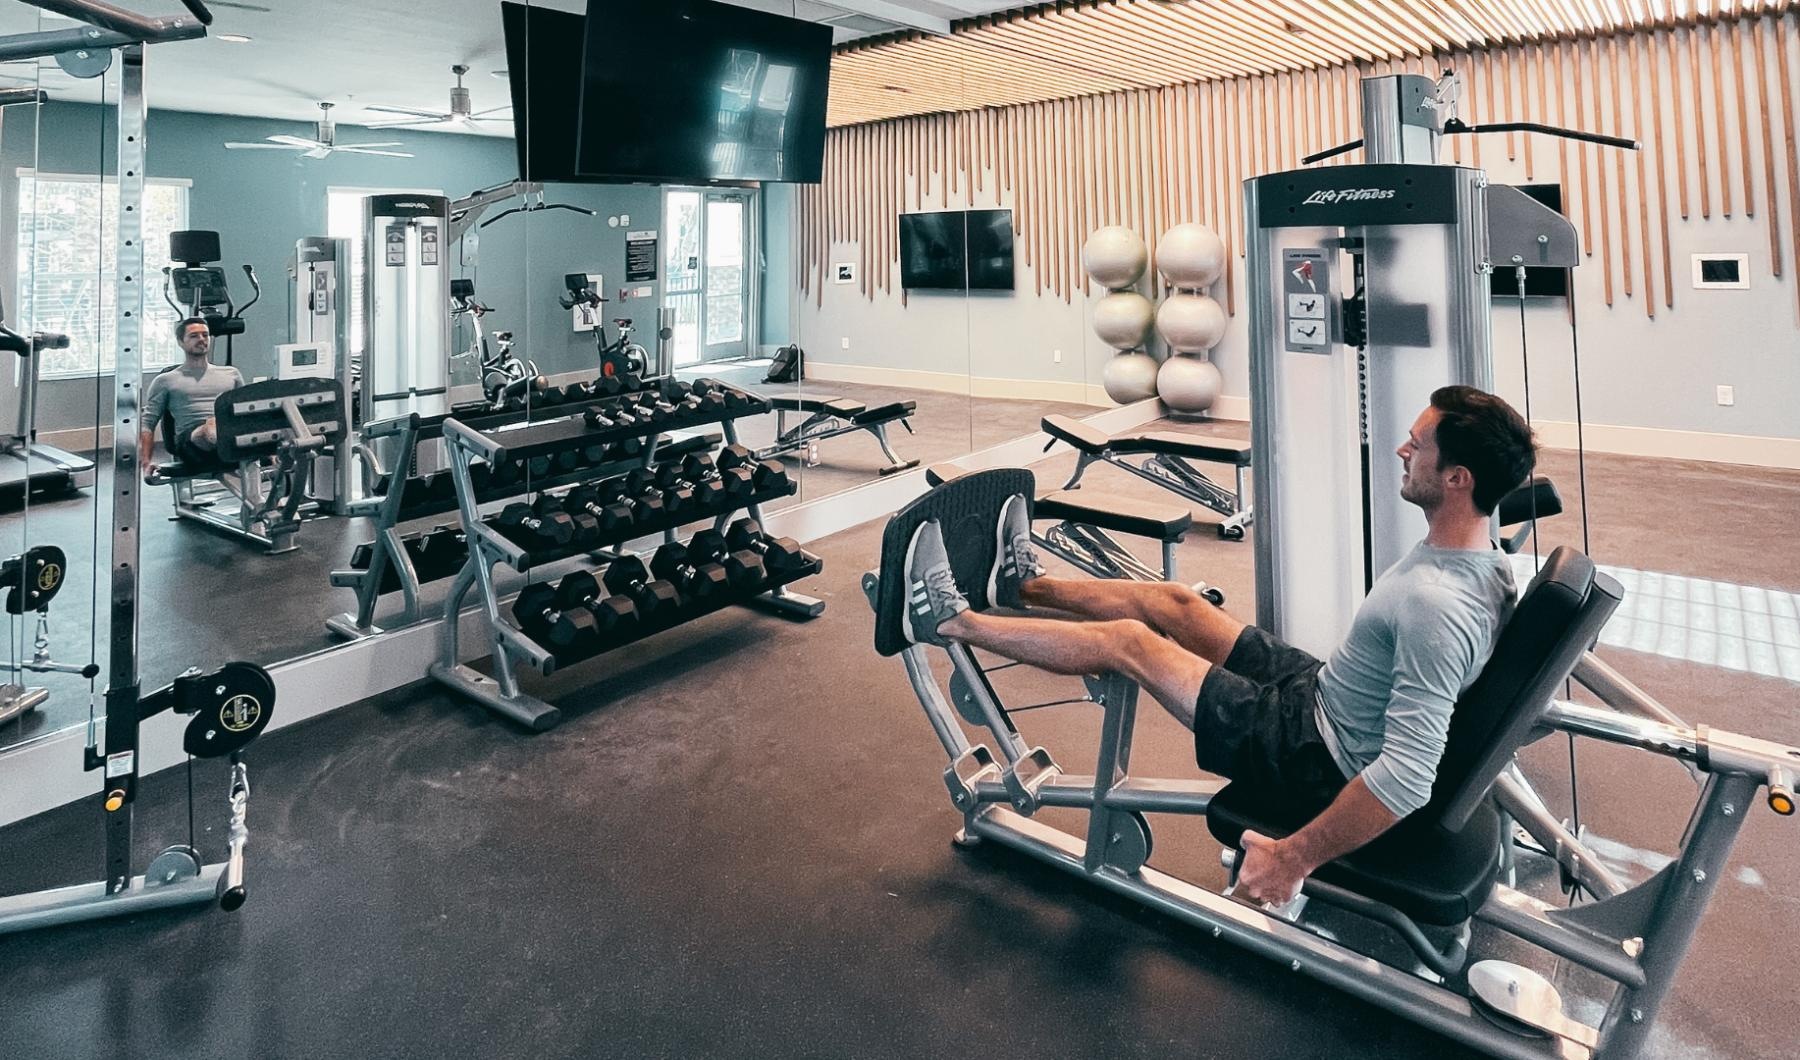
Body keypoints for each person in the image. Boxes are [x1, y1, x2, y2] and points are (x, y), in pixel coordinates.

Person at [902, 385, 1536, 906]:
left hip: (1309, 754)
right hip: (1322, 693)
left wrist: (1293, 858)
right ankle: (1023, 585)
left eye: (1417, 444)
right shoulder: (1485, 557)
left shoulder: (1437, 607)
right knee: (1176, 602)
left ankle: (950, 622)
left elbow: (1406, 778)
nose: (1402, 449)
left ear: (1456, 478)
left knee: (1132, 642)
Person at [141, 317, 245, 481]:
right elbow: (148, 423)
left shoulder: (231, 373)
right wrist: (146, 462)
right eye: (194, 336)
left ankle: (279, 502)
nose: (202, 339)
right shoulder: (165, 380)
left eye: (205, 335)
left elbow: (244, 410)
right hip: (191, 444)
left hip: (229, 437)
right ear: (180, 342)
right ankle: (225, 437)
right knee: (209, 427)